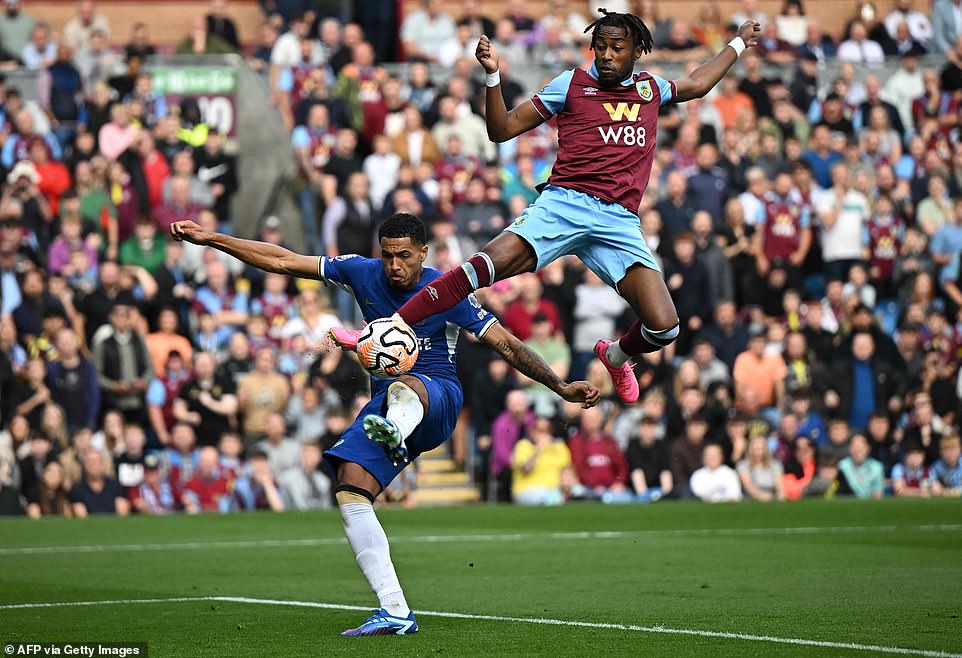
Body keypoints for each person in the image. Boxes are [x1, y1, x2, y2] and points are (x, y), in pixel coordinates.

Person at [169, 212, 597, 636]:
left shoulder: (445, 288)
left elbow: (505, 343)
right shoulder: (362, 272)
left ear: (423, 253)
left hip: (439, 398)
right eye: (388, 255)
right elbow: (283, 261)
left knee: (406, 382)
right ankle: (394, 610)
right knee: (350, 488)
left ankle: (396, 426)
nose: (395, 265)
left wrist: (559, 386)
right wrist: (211, 238)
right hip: (386, 402)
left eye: (405, 256)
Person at [329, 10, 762, 405]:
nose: (607, 55)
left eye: (618, 48)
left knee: (665, 327)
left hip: (618, 221)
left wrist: (738, 42)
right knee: (479, 268)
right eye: (601, 47)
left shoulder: (650, 88)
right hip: (564, 206)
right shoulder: (570, 84)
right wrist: (493, 76)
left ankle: (614, 355)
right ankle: (384, 329)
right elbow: (500, 131)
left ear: (637, 52)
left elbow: (699, 83)